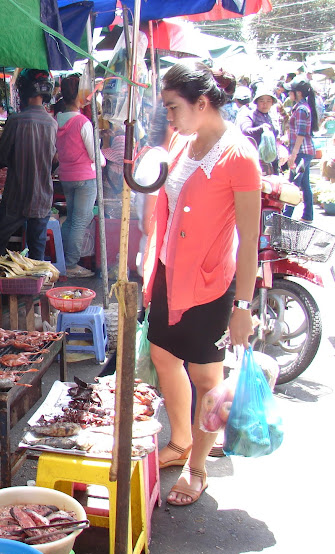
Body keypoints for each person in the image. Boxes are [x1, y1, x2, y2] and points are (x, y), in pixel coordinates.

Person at [144, 62, 261, 506]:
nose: (169, 118)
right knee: (161, 354)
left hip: (211, 284)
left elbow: (249, 237)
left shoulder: (239, 156)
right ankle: (180, 440)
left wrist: (244, 306)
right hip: (170, 273)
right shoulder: (181, 142)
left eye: (174, 107)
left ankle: (199, 468)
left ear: (203, 102)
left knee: (207, 380)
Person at [0, 69, 57, 261]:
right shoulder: (51, 123)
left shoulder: (16, 121)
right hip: (42, 196)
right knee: (37, 251)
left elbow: (3, 157)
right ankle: (35, 289)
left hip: (16, 197)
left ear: (23, 91)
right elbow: (53, 157)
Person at [55, 74, 104, 278]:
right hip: (85, 178)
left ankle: (62, 260)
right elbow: (95, 155)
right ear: (77, 95)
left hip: (66, 176)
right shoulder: (82, 122)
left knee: (72, 219)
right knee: (79, 221)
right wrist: (103, 160)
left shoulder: (57, 120)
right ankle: (71, 263)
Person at [286, 77, 319, 222]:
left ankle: (285, 217)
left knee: (294, 184)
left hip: (302, 152)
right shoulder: (301, 107)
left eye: (291, 91)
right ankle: (307, 216)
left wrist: (293, 154)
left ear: (298, 93)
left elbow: (301, 133)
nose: (288, 94)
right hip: (304, 152)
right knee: (304, 184)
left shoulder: (301, 109)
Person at [236, 84, 280, 174]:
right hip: (256, 160)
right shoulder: (249, 115)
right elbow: (246, 130)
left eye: (268, 101)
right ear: (256, 102)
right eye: (262, 101)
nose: (265, 104)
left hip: (272, 160)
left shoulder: (272, 117)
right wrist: (261, 128)